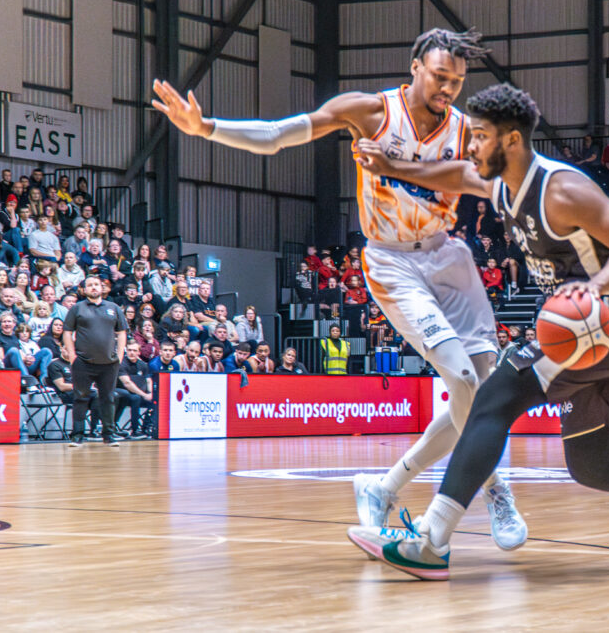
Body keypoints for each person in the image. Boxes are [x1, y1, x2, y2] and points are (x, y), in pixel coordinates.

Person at [349, 83, 609, 580]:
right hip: (590, 324)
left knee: (493, 397)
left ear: (509, 141)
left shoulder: (561, 190)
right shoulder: (498, 181)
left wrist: (594, 288)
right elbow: (454, 173)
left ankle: (432, 538)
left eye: (479, 136)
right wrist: (390, 167)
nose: (470, 146)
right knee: (592, 464)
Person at [152, 28, 525, 545]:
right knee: (463, 383)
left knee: (486, 392)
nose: (448, 89)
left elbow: (486, 182)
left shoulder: (464, 129)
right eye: (441, 77)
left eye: (458, 82)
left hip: (448, 256)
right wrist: (206, 127)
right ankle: (495, 485)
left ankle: (385, 486)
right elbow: (278, 135)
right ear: (415, 66)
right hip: (392, 261)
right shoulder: (370, 112)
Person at [62, 276, 129, 447]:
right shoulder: (77, 308)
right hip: (83, 362)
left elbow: (122, 332)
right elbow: (67, 332)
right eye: (90, 285)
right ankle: (77, 435)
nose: (93, 287)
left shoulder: (113, 308)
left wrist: (119, 356)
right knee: (81, 397)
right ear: (84, 290)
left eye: (96, 285)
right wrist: (72, 355)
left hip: (109, 363)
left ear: (103, 288)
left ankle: (109, 434)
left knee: (108, 398)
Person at [114, 341, 155, 439]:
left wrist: (150, 393)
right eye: (129, 350)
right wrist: (144, 395)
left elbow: (148, 380)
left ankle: (147, 427)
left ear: (139, 353)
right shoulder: (122, 364)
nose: (131, 353)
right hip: (122, 392)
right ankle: (135, 430)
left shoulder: (143, 365)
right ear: (126, 351)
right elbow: (127, 384)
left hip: (139, 393)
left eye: (134, 350)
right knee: (135, 397)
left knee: (155, 399)